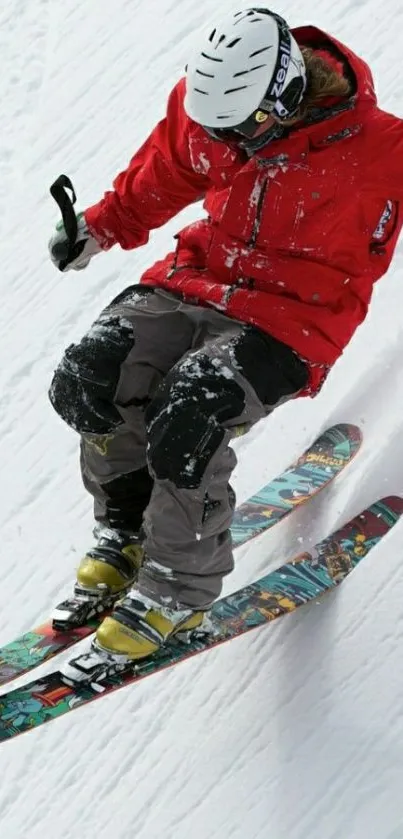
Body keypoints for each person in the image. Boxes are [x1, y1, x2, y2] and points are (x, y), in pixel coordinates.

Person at [49, 6, 403, 676]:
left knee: (187, 410)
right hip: (198, 281)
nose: (232, 142)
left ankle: (177, 584)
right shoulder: (216, 110)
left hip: (292, 318)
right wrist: (99, 226)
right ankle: (126, 529)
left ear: (286, 93)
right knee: (89, 376)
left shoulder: (385, 150)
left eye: (244, 127)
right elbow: (168, 168)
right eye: (220, 129)